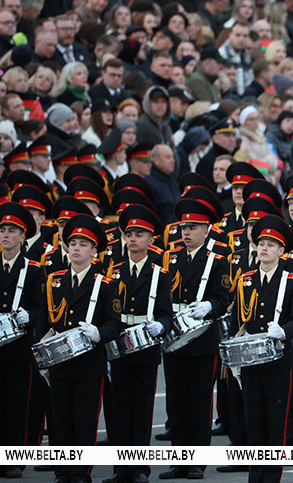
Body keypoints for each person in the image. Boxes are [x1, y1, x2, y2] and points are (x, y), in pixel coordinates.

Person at [40, 214, 121, 483]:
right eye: (72, 242)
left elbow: (114, 323)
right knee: (60, 421)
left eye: (83, 244)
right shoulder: (55, 280)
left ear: (94, 250)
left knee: (84, 420)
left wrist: (99, 334)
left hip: (88, 363)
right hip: (59, 362)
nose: (76, 248)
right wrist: (41, 354)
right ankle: (62, 471)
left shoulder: (106, 284)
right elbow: (43, 322)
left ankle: (80, 472)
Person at [231, 214, 293, 483]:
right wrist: (234, 357)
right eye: (261, 243)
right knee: (254, 419)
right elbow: (236, 321)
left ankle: (272, 475)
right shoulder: (246, 278)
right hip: (251, 359)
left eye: (271, 244)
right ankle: (256, 474)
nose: (264, 248)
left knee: (276, 420)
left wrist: (283, 331)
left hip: (278, 360)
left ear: (281, 250)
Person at [159, 198, 231, 480]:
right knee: (176, 403)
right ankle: (179, 460)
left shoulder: (217, 261)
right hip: (175, 339)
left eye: (193, 227)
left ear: (206, 230)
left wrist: (209, 307)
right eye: (183, 227)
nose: (186, 232)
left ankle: (197, 462)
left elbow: (223, 299)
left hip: (202, 341)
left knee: (199, 403)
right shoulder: (171, 258)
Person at [102, 205, 174, 483]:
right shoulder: (114, 272)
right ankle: (121, 469)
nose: (132, 239)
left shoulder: (160, 274)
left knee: (142, 409)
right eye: (129, 234)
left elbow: (167, 314)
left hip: (144, 347)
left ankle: (140, 469)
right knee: (119, 409)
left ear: (151, 239)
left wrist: (161, 325)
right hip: (119, 346)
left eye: (139, 234)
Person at [0, 203, 46, 479]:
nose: (5, 235)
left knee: (18, 405)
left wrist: (31, 316)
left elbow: (43, 309)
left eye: (11, 231)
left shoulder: (34, 271)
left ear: (23, 236)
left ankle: (13, 459)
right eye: (2, 230)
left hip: (18, 348)